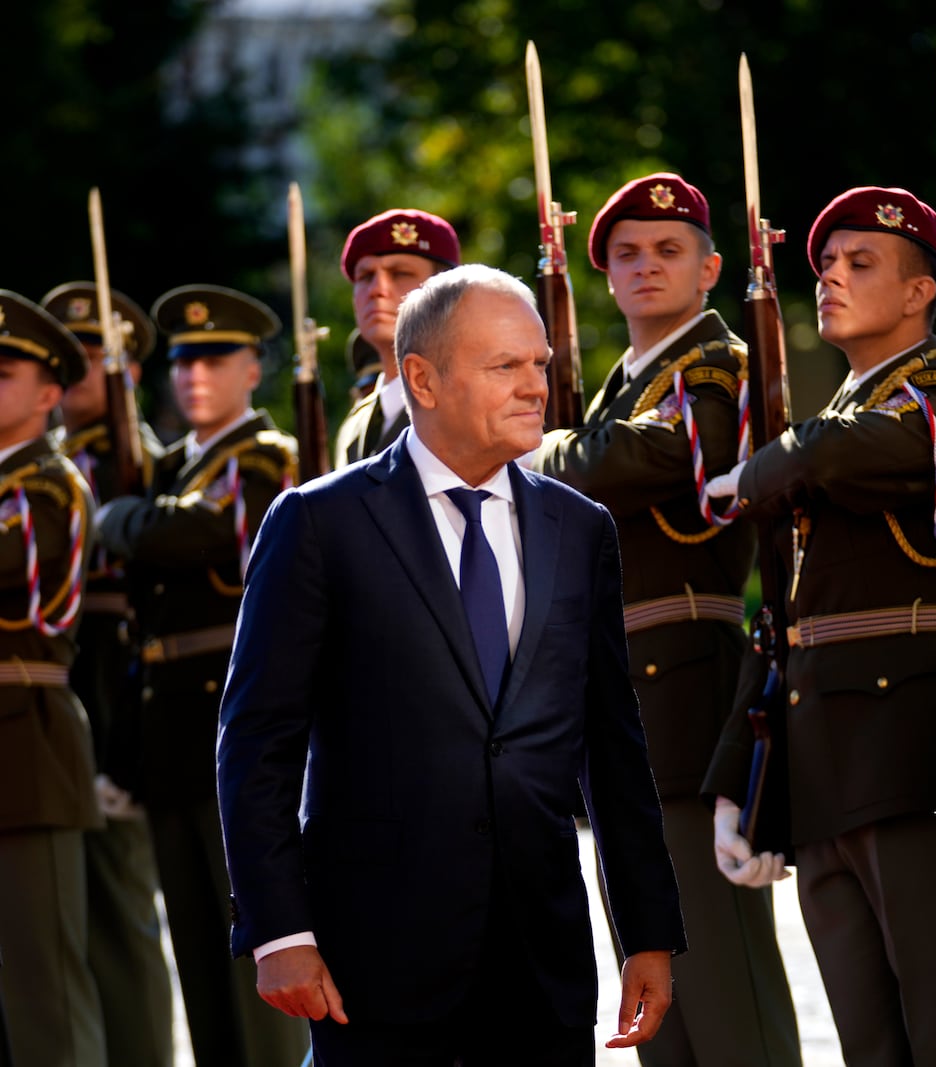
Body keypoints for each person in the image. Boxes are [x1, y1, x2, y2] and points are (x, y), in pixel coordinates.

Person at [217, 264, 685, 1064]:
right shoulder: (318, 523)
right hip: (372, 963)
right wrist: (279, 931)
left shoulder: (581, 529)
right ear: (422, 379)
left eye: (539, 363)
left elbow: (613, 746)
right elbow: (256, 744)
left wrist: (647, 931)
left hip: (543, 964)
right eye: (505, 366)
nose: (536, 386)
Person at [702, 187, 936, 1067]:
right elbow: (786, 623)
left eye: (860, 264)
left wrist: (762, 467)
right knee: (869, 1047)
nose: (831, 279)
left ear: (923, 292)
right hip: (826, 765)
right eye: (826, 266)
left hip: (920, 751)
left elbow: (838, 450)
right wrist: (741, 774)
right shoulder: (845, 412)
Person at [527, 173, 800, 1067]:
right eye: (627, 253)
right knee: (656, 989)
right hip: (621, 698)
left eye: (668, 250)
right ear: (602, 273)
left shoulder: (714, 368)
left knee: (721, 980)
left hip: (682, 683)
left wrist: (534, 445)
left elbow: (640, 460)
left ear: (712, 267)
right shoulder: (618, 384)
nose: (646, 266)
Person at [97, 284, 308, 1067]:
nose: (194, 376)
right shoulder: (177, 467)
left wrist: (121, 518)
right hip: (172, 735)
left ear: (254, 368)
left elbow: (181, 538)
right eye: (183, 361)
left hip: (236, 722)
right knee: (198, 954)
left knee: (261, 955)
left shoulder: (266, 458)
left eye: (216, 359)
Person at [41, 282, 174, 1067]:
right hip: (59, 709)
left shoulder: (148, 463)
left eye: (100, 356)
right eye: (74, 354)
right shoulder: (40, 460)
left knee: (122, 922)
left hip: (118, 708)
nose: (84, 370)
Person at [0, 290, 103, 1066]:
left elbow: (21, 577)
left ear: (48, 393)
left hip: (26, 743)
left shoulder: (50, 484)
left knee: (47, 993)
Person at [331, 208, 460, 467]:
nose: (377, 289)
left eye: (400, 273)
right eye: (365, 276)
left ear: (445, 292)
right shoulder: (356, 425)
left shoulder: (467, 405)